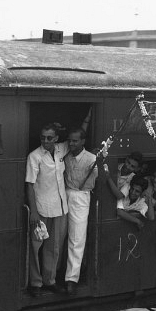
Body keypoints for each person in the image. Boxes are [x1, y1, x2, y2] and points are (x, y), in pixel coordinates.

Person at [26, 123, 70, 296]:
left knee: (55, 247)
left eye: (49, 137)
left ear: (56, 138)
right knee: (36, 247)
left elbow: (79, 134)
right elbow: (29, 185)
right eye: (43, 137)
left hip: (60, 208)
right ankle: (35, 283)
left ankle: (49, 281)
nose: (45, 140)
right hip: (41, 208)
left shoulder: (61, 149)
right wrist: (34, 211)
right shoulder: (34, 156)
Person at [63, 128, 98, 296]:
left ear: (83, 141)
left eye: (75, 141)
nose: (71, 143)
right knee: (59, 236)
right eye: (70, 140)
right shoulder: (66, 156)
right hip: (63, 194)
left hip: (81, 197)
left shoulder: (92, 159)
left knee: (77, 238)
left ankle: (71, 279)